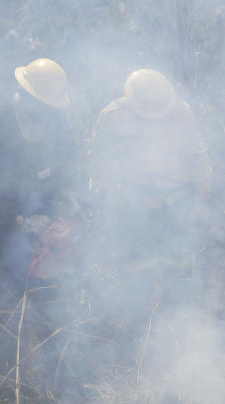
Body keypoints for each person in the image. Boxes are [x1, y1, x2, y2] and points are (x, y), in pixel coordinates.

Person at [0, 57, 79, 382]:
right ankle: (10, 387)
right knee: (6, 309)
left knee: (50, 303)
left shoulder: (58, 124)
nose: (46, 111)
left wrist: (67, 197)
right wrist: (16, 219)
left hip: (45, 233)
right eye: (41, 103)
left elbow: (67, 166)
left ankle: (56, 383)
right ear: (25, 94)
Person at [89, 68, 211, 306]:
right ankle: (139, 318)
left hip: (177, 198)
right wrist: (99, 191)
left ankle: (178, 316)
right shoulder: (113, 115)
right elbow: (99, 156)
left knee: (179, 261)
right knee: (136, 264)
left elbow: (198, 155)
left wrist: (202, 196)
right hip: (134, 199)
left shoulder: (181, 113)